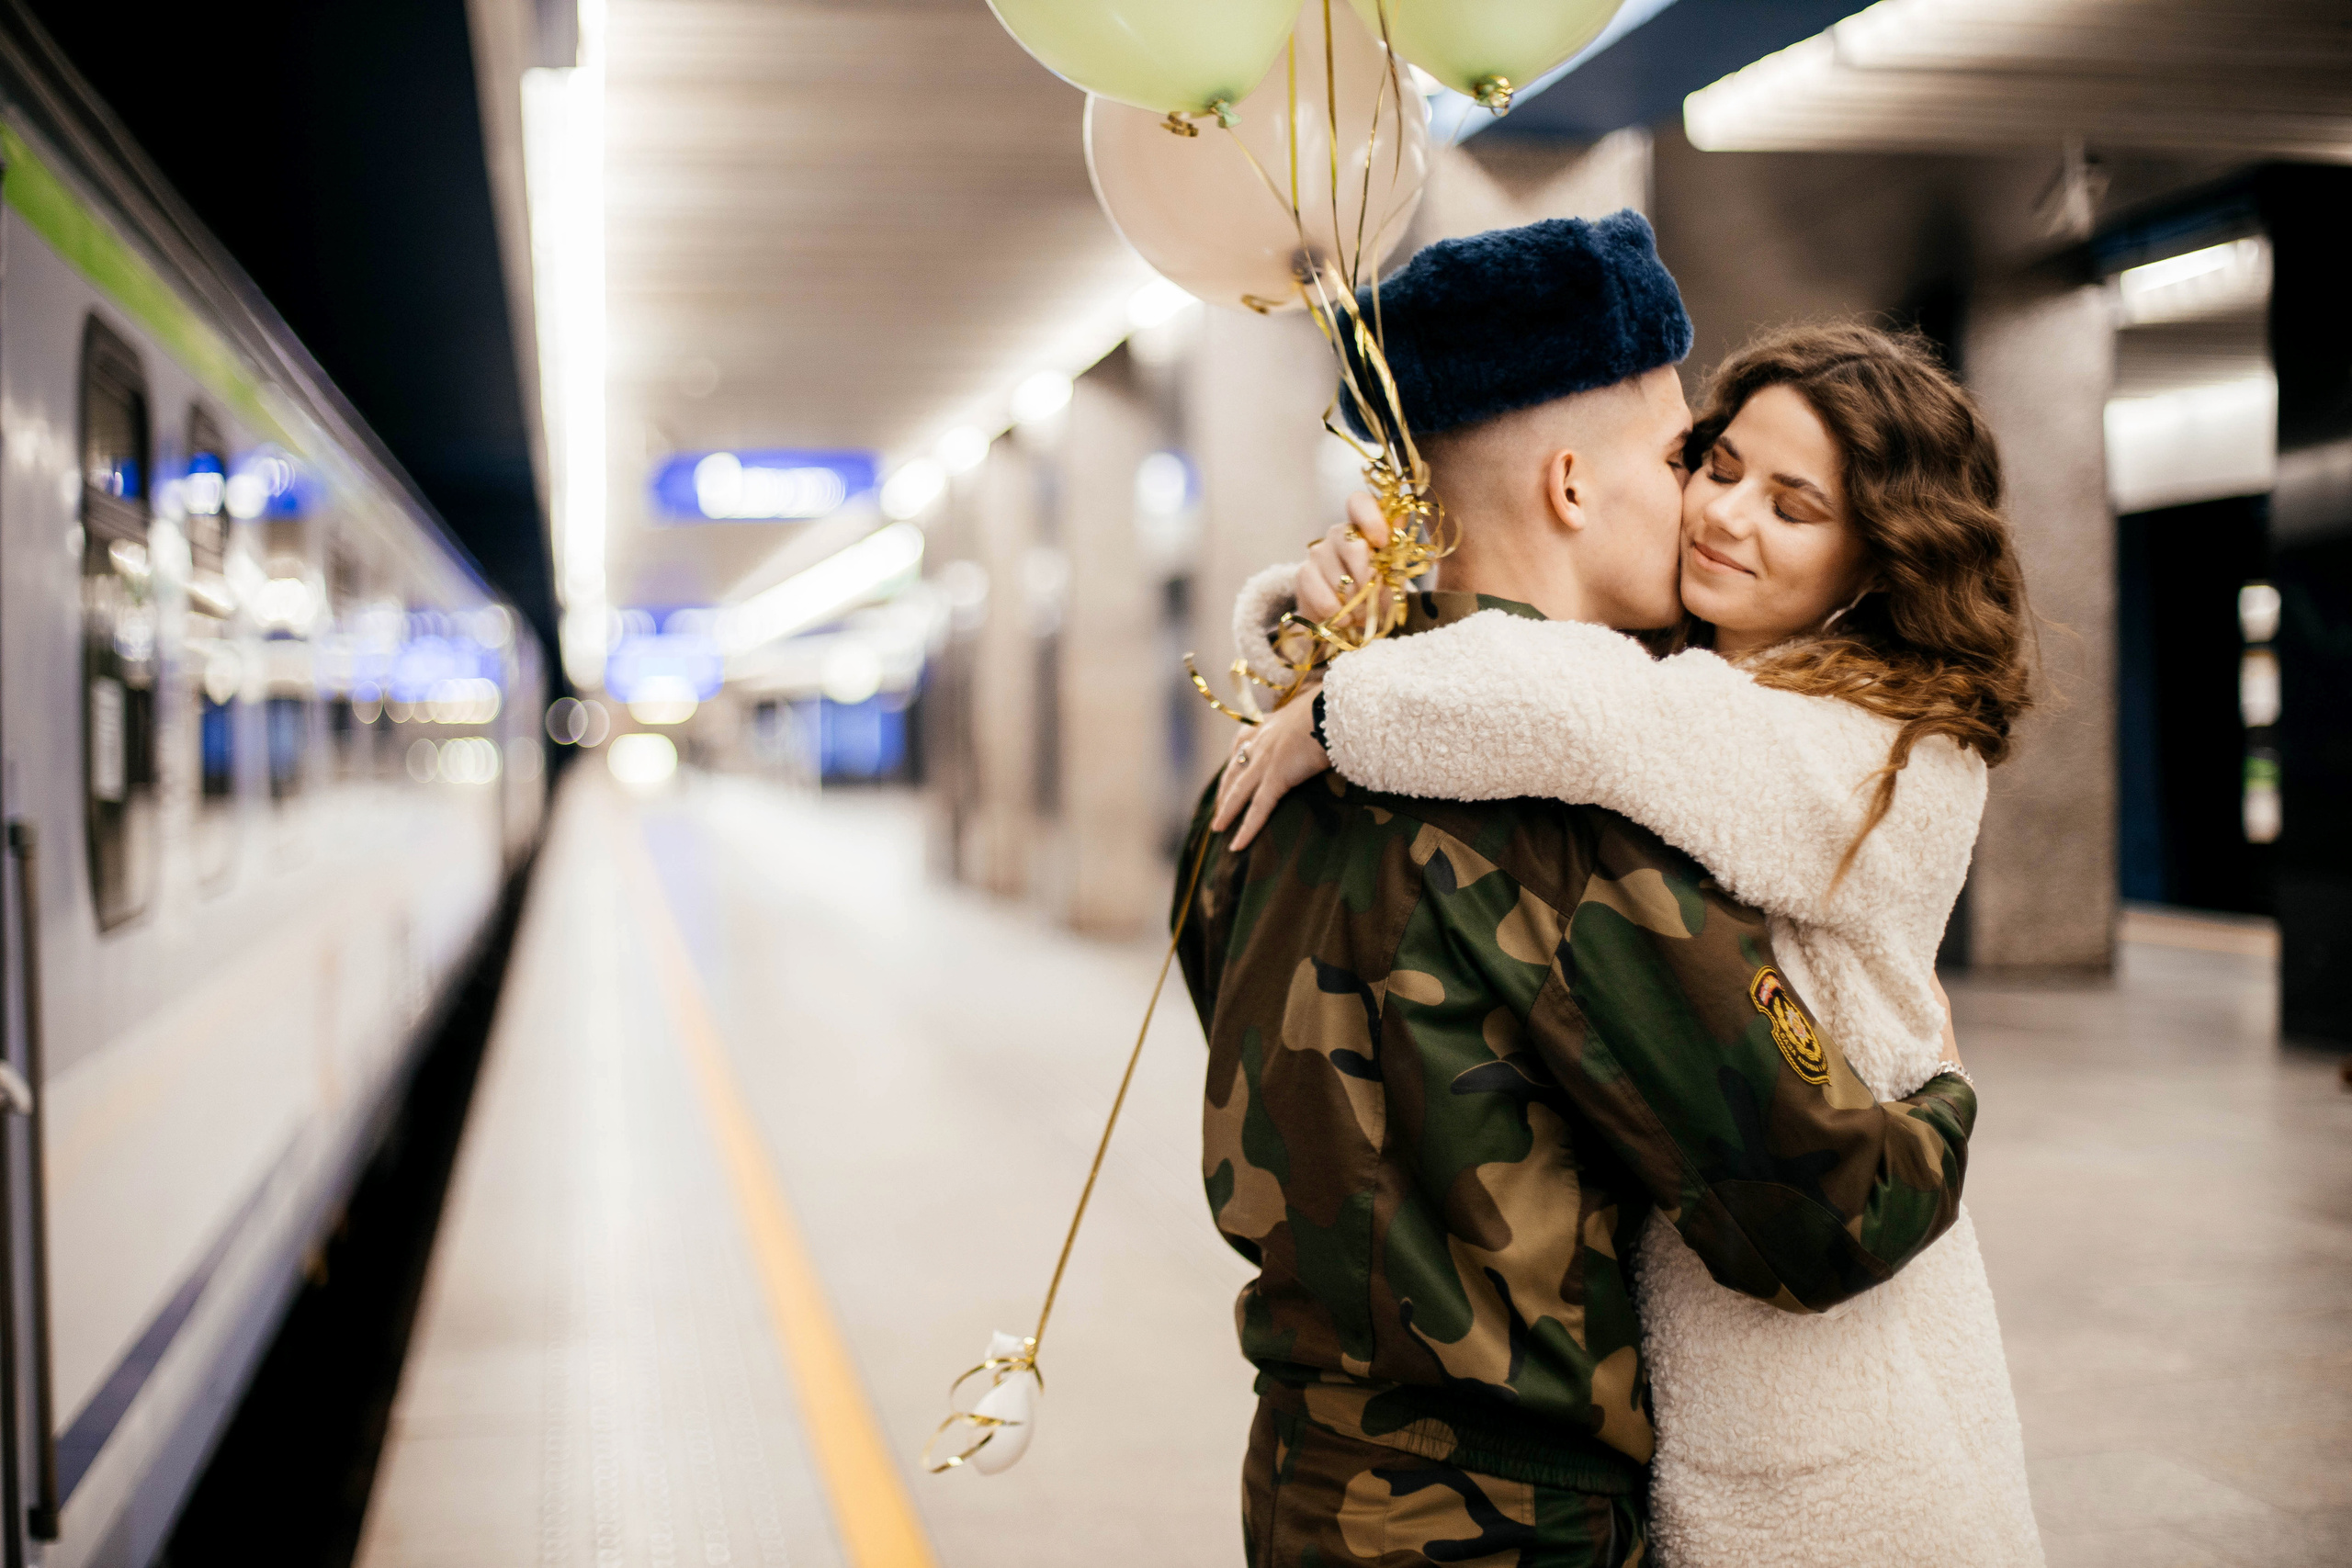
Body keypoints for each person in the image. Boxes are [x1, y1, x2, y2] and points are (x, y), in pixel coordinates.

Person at [1172, 214, 1982, 1568]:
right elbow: (1820, 1215)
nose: (1706, 505)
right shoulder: (1577, 828)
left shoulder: (1253, 781)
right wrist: (1943, 1096)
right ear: (1568, 486)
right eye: (1685, 458)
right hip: (1503, 1522)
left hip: (1296, 1483)